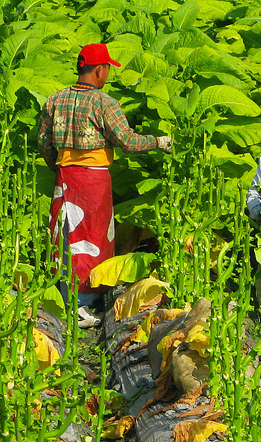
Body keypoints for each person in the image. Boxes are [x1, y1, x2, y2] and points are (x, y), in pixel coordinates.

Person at [37, 43, 171, 328]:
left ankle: (67, 297)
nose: (107, 74)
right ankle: (85, 303)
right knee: (93, 237)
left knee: (66, 236)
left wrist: (58, 167)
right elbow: (127, 141)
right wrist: (159, 142)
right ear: (99, 69)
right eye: (107, 68)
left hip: (65, 177)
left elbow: (44, 142)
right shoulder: (104, 103)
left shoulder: (54, 100)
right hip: (94, 179)